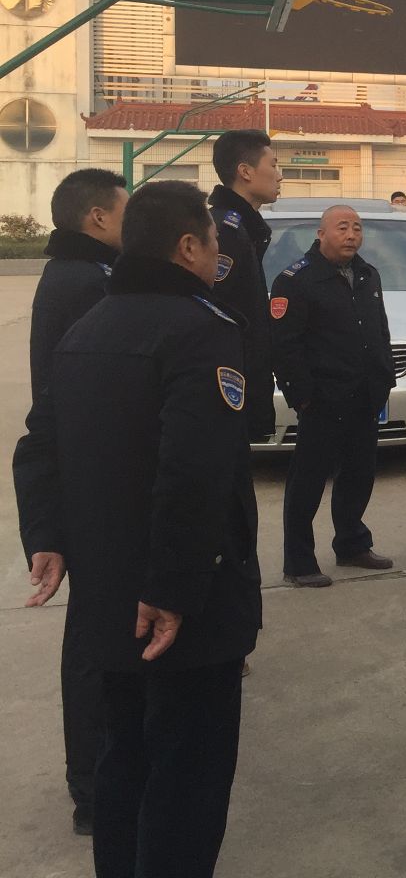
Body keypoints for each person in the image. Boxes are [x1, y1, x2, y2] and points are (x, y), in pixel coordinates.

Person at [13, 181, 261, 875]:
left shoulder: (88, 328)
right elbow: (193, 474)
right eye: (212, 239)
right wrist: (173, 592)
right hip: (184, 607)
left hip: (108, 595)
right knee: (188, 776)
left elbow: (38, 444)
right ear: (187, 248)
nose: (218, 251)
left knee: (123, 756)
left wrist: (47, 536)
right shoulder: (204, 332)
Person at [22, 167, 127, 836]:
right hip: (94, 488)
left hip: (85, 482)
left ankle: (96, 778)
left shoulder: (74, 275)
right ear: (97, 218)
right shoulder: (88, 285)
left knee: (95, 640)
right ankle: (93, 786)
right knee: (94, 647)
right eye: (125, 211)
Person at [270, 204, 396, 587]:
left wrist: (384, 379)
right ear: (321, 233)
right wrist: (302, 397)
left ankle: (352, 544)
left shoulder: (367, 274)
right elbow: (284, 346)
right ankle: (299, 563)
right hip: (323, 400)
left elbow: (380, 331)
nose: (351, 235)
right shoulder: (296, 280)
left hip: (364, 396)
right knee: (307, 483)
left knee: (359, 476)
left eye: (357, 228)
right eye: (342, 227)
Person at [209, 130, 283, 442]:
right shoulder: (225, 232)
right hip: (225, 389)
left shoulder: (243, 228)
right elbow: (219, 313)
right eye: (273, 165)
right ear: (245, 172)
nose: (280, 175)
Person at [28, 168, 127, 403]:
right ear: (99, 217)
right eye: (128, 215)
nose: (134, 225)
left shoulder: (66, 268)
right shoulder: (94, 283)